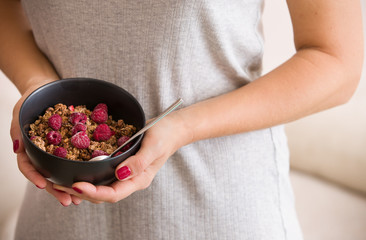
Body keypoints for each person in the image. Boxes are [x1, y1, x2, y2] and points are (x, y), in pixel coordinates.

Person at [0, 0, 363, 239]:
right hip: (57, 213)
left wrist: (183, 126)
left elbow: (335, 61)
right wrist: (37, 90)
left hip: (218, 211)